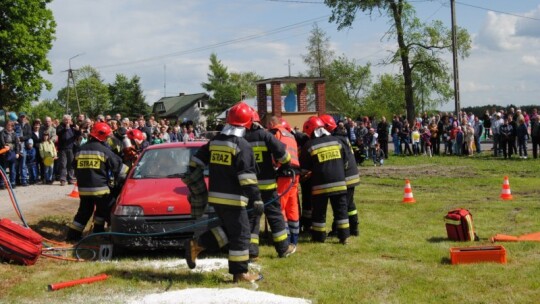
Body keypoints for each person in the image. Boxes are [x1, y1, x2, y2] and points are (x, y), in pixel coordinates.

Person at [183, 102, 264, 283]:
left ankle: (196, 245)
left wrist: (197, 186)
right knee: (242, 234)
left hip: (216, 197)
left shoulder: (215, 141)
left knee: (228, 231)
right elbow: (247, 178)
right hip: (234, 199)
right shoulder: (242, 145)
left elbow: (195, 162)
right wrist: (257, 199)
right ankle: (240, 273)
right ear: (247, 124)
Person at [245, 111, 296, 260]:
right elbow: (284, 155)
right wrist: (284, 165)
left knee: (252, 218)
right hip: (267, 186)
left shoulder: (241, 138)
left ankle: (252, 251)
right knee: (275, 216)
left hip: (249, 187)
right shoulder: (265, 135)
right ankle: (283, 248)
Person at [65, 122, 129, 241]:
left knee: (83, 213)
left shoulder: (80, 150)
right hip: (101, 191)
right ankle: (116, 236)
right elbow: (120, 169)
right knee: (110, 211)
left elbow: (73, 166)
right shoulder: (104, 150)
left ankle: (73, 236)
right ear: (103, 136)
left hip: (84, 190)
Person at [299, 116, 349, 244]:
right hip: (340, 184)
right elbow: (345, 162)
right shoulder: (337, 141)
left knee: (319, 212)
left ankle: (319, 236)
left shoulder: (310, 145)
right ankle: (343, 237)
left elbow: (304, 169)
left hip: (320, 186)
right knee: (341, 211)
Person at [319, 114, 361, 237]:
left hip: (346, 176)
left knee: (342, 206)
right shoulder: (341, 136)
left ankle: (337, 230)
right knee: (350, 204)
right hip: (352, 174)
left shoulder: (335, 139)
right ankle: (354, 228)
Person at [268, 116, 302, 246]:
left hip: (283, 172)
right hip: (295, 173)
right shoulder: (290, 134)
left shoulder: (275, 133)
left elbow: (274, 152)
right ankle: (294, 237)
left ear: (272, 124)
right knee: (292, 205)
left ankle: (283, 238)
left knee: (280, 205)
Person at [56, 114, 80, 186]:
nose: (67, 121)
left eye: (68, 120)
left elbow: (78, 135)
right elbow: (58, 133)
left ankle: (70, 179)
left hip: (71, 148)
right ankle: (63, 179)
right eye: (65, 120)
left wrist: (78, 130)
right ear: (63, 120)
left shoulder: (73, 127)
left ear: (70, 120)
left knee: (71, 164)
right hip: (62, 149)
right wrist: (65, 129)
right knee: (63, 164)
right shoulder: (60, 126)